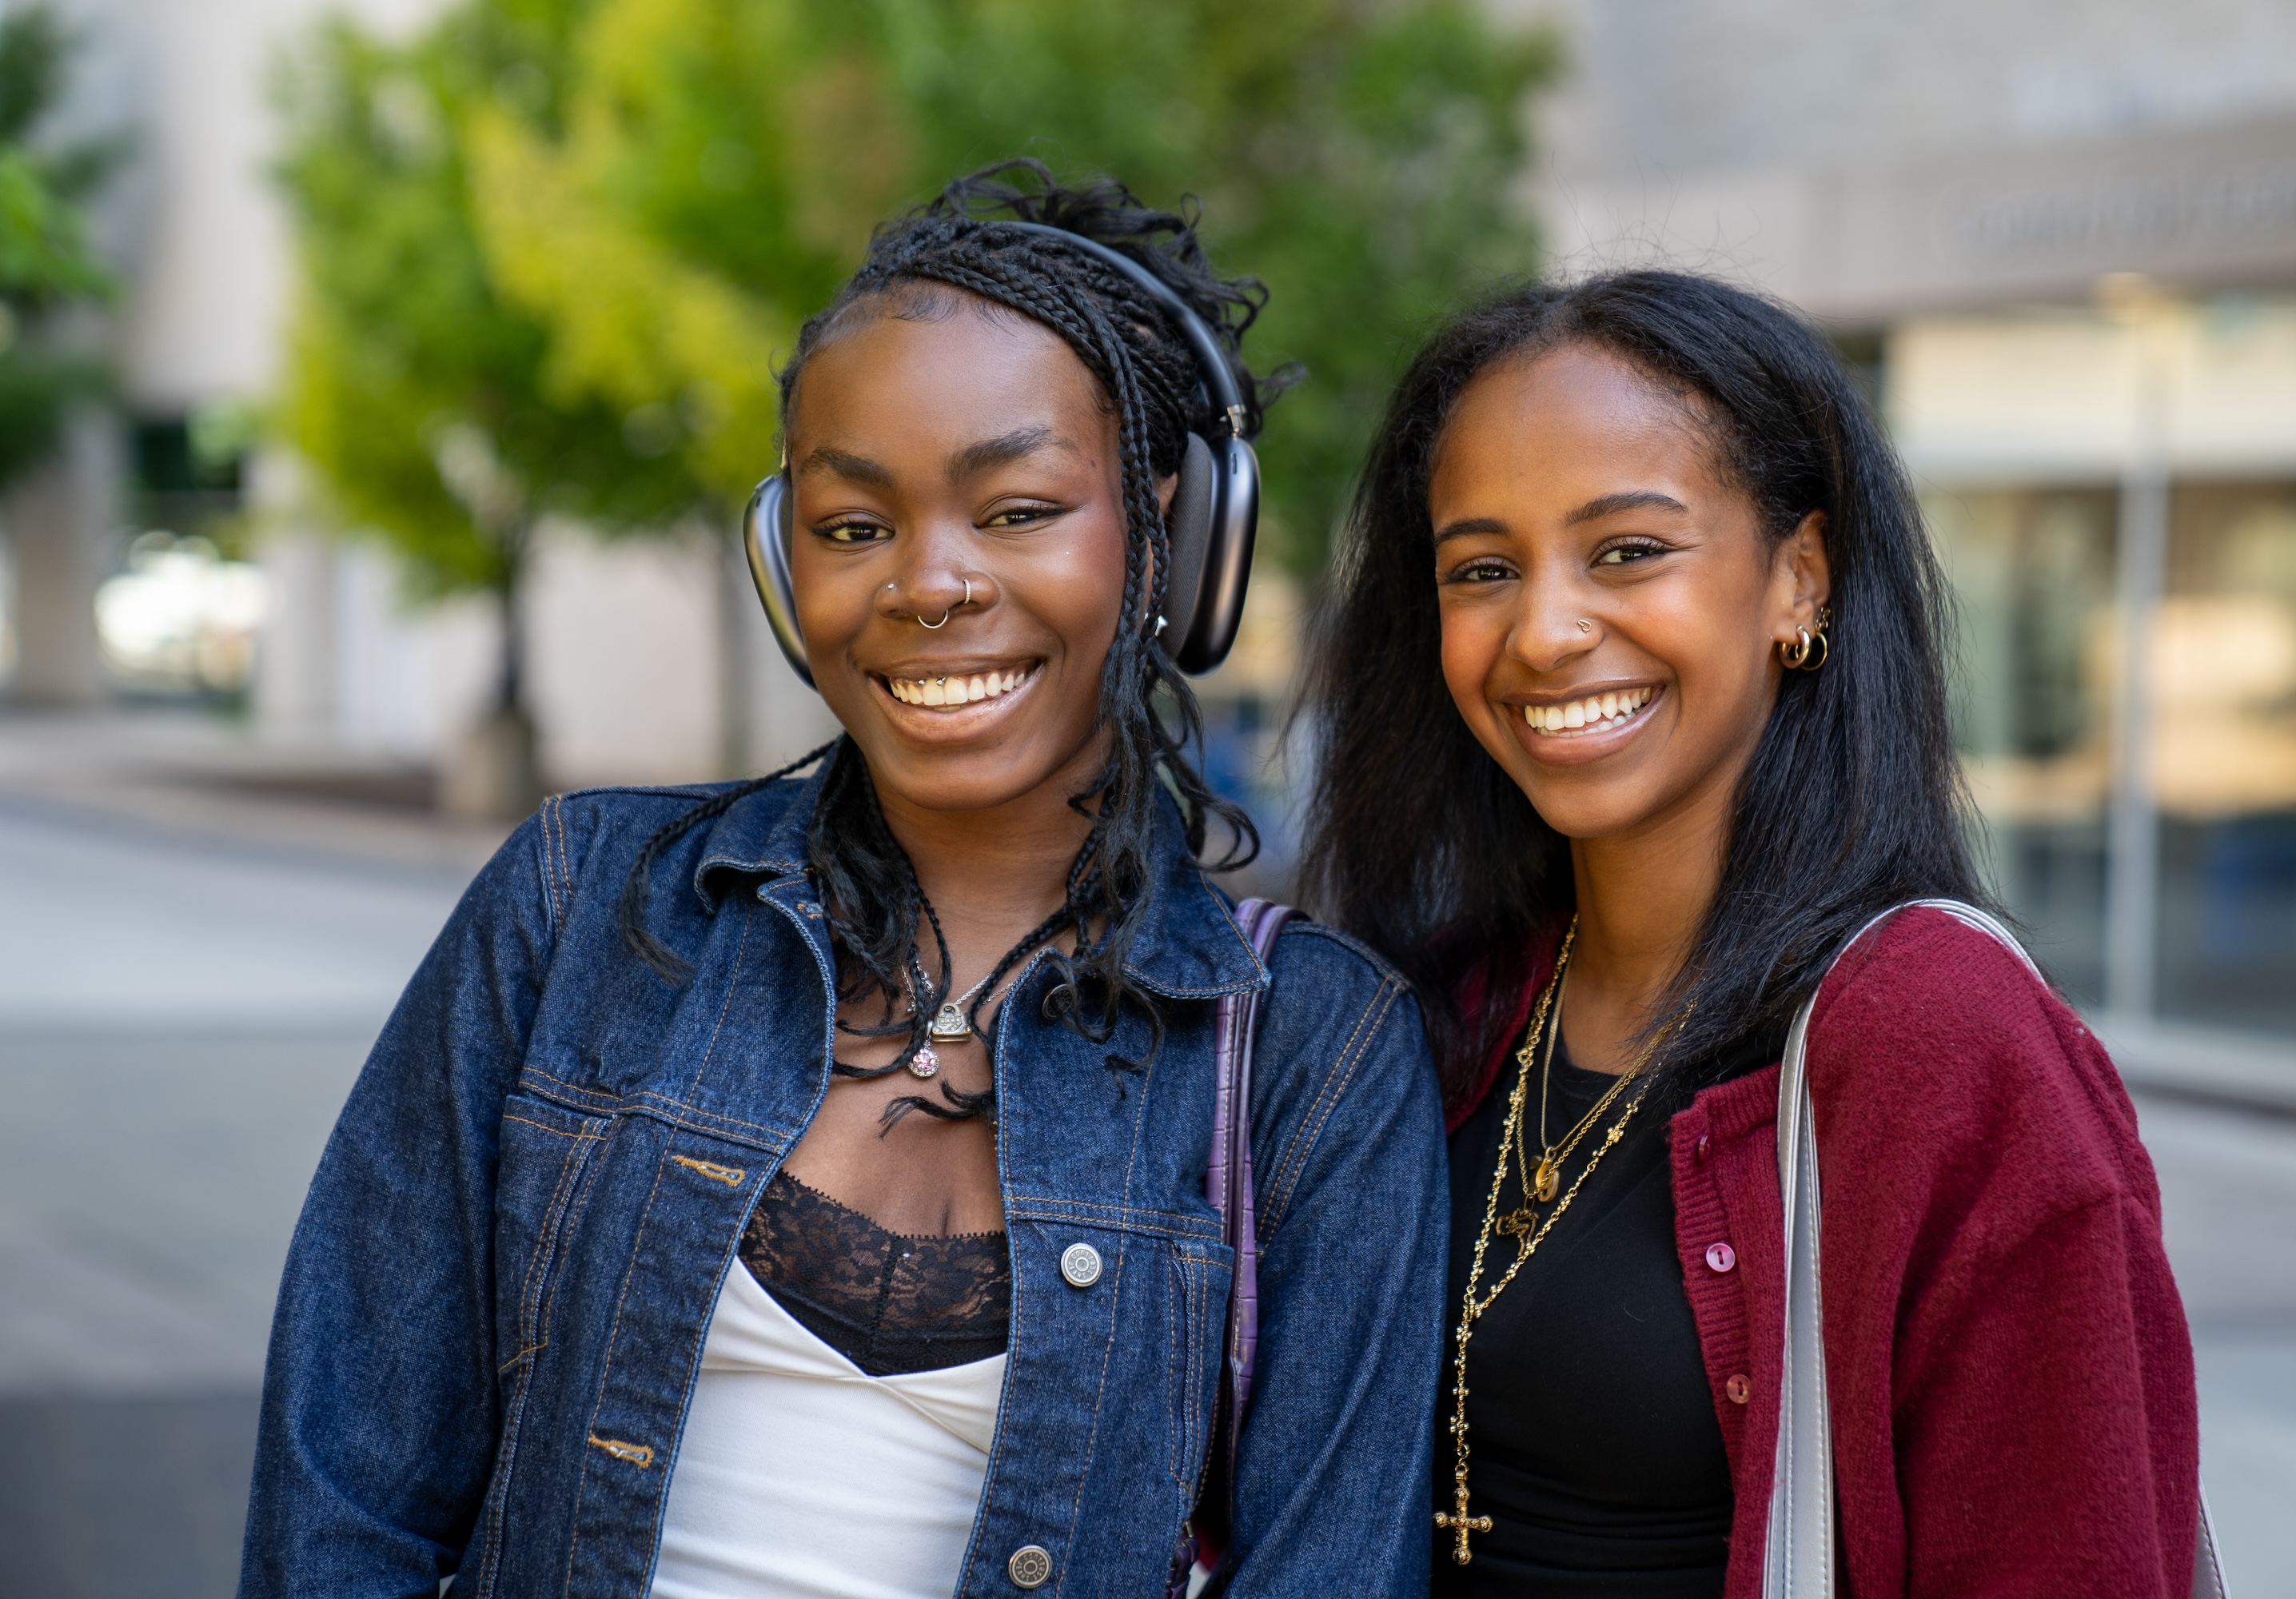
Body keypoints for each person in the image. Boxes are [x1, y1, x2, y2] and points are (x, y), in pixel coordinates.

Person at [239, 164, 1445, 1599]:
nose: (925, 584)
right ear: (781, 561)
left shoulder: (1315, 1050)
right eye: (854, 526)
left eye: (1016, 510)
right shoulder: (578, 908)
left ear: (1169, 542)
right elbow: (342, 1509)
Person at [1302, 271, 2203, 1597]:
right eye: (1483, 569)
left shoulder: (1939, 1039)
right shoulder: (1445, 1006)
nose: (1543, 632)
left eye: (1628, 551)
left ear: (1799, 578)